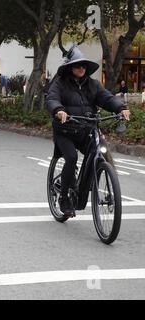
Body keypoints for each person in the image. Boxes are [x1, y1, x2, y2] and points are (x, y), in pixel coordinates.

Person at [46, 45, 130, 217]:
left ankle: (98, 184)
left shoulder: (93, 85)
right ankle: (64, 198)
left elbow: (107, 98)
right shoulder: (60, 83)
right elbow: (52, 99)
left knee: (100, 151)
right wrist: (59, 111)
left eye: (84, 66)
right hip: (65, 131)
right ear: (70, 67)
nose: (82, 68)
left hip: (87, 130)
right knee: (71, 157)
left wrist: (120, 108)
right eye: (78, 65)